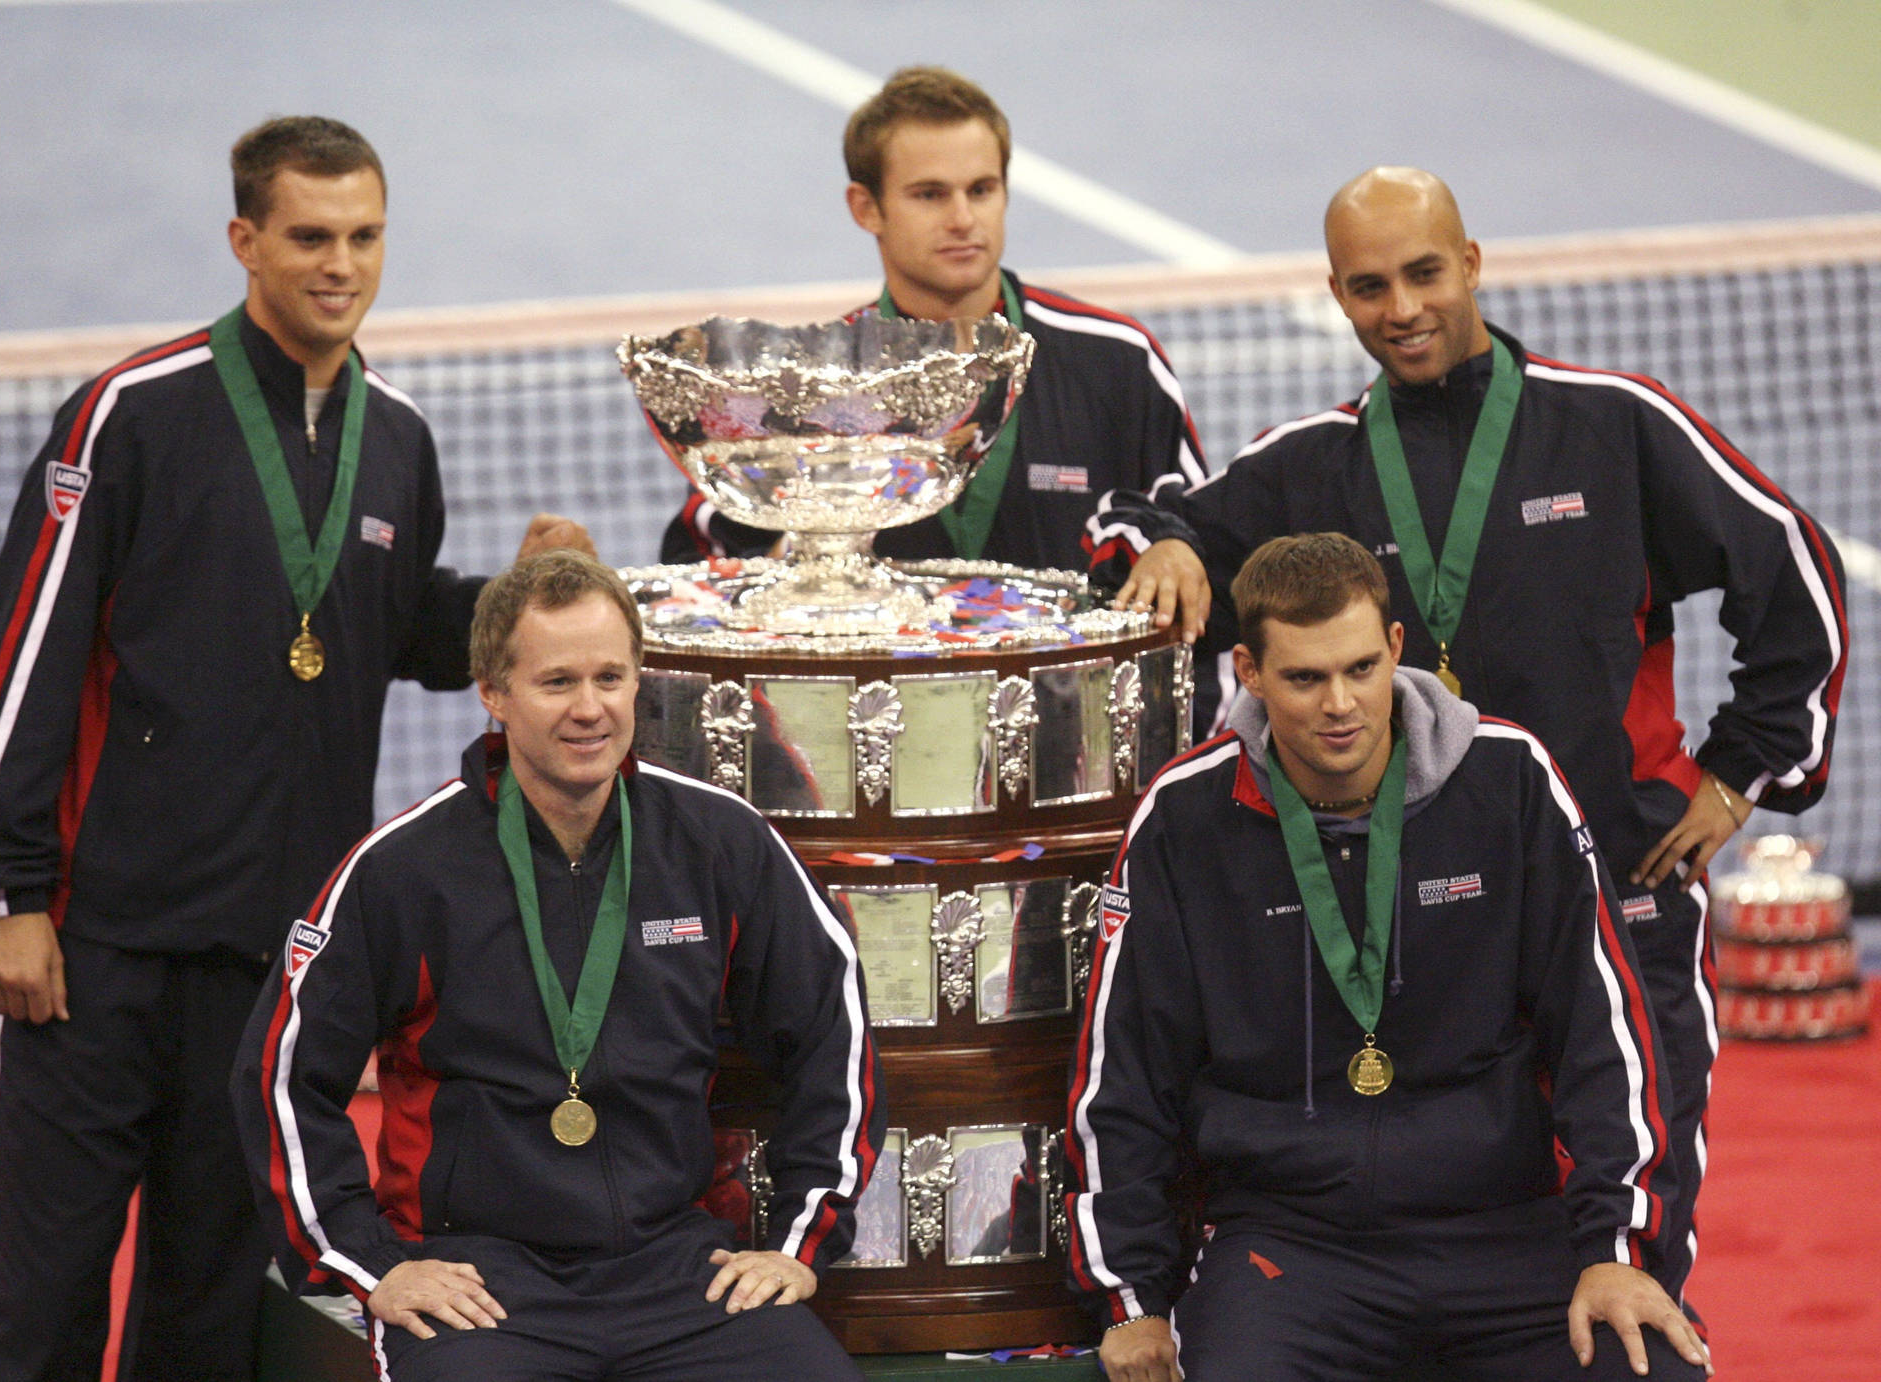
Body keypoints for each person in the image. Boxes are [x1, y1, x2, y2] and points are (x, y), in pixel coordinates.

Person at [1092, 167, 1848, 1302]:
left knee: (1640, 1211)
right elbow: (1151, 524)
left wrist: (1740, 776)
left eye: (1425, 272)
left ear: (1475, 262)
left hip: (1619, 879)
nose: (1401, 306)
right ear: (1338, 297)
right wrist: (1170, 546)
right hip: (1419, 909)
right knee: (1456, 1219)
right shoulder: (1316, 463)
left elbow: (1796, 576)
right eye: (1369, 285)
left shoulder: (1613, 427)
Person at [0, 116, 591, 1380]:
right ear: (245, 238)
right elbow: (20, 646)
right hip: (101, 944)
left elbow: (388, 621)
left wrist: (511, 602)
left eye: (363, 236)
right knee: (49, 1287)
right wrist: (6, 893)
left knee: (206, 1295)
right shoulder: (130, 414)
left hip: (269, 953)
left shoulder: (396, 438)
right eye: (309, 235)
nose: (339, 264)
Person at [1065, 533, 1712, 1382]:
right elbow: (1124, 1078)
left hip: (1507, 1231)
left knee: (1653, 1371)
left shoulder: (1509, 780)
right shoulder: (1183, 822)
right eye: (1304, 678)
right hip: (1287, 1248)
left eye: (1362, 668)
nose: (1341, 704)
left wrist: (1619, 1250)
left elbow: (1609, 1034)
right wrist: (1134, 1300)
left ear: (1397, 650)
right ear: (1249, 673)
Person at [233, 550, 882, 1380]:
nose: (590, 710)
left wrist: (798, 1243)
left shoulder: (720, 842)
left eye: (610, 678)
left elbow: (837, 1032)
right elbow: (280, 1075)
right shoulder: (404, 869)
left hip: (677, 1270)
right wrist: (372, 1263)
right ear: (493, 693)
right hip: (482, 1283)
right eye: (556, 683)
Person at [660, 64, 1205, 572]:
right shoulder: (804, 390)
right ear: (865, 208)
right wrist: (797, 554)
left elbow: (1199, 532)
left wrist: (1175, 544)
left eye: (982, 190)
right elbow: (700, 564)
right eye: (930, 195)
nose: (964, 219)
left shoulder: (1117, 361)